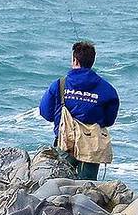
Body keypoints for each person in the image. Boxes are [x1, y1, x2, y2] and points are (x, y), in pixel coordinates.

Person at [38, 41, 119, 179]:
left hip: (65, 143)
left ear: (74, 60)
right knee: (86, 188)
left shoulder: (59, 84)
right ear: (92, 61)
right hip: (92, 145)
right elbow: (109, 120)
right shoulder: (108, 89)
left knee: (60, 184)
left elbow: (45, 112)